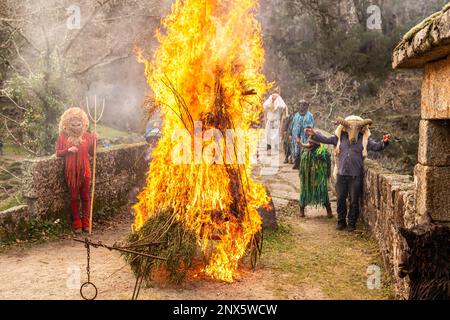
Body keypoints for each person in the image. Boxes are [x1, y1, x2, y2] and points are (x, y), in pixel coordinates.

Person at [305, 115, 390, 232]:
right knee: (340, 199)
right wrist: (313, 134)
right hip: (341, 174)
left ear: (361, 129)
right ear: (345, 128)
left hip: (355, 175)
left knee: (354, 201)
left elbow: (376, 146)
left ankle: (351, 223)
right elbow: (326, 139)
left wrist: (384, 142)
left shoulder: (364, 139)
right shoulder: (340, 137)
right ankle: (341, 222)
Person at [56, 107, 97, 234]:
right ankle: (77, 222)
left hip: (85, 172)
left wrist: (96, 140)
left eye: (78, 124)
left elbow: (93, 153)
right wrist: (68, 150)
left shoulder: (88, 136)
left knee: (85, 197)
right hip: (70, 173)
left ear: (83, 123)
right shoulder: (63, 136)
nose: (76, 127)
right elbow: (57, 153)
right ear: (67, 124)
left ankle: (86, 222)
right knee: (74, 197)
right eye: (72, 124)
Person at [298, 132, 333, 218]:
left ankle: (329, 210)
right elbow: (301, 169)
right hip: (308, 177)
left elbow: (328, 166)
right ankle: (301, 209)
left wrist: (324, 173)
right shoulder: (305, 154)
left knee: (323, 191)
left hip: (319, 178)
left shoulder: (323, 153)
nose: (310, 144)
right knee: (304, 191)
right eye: (309, 142)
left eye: (312, 143)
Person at [290, 100, 314, 169]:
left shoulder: (309, 115)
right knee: (295, 149)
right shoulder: (296, 115)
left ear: (306, 106)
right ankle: (296, 163)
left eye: (303, 105)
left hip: (304, 136)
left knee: (303, 149)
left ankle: (303, 165)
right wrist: (291, 134)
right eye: (300, 105)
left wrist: (306, 130)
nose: (302, 107)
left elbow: (310, 126)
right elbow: (293, 124)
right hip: (295, 136)